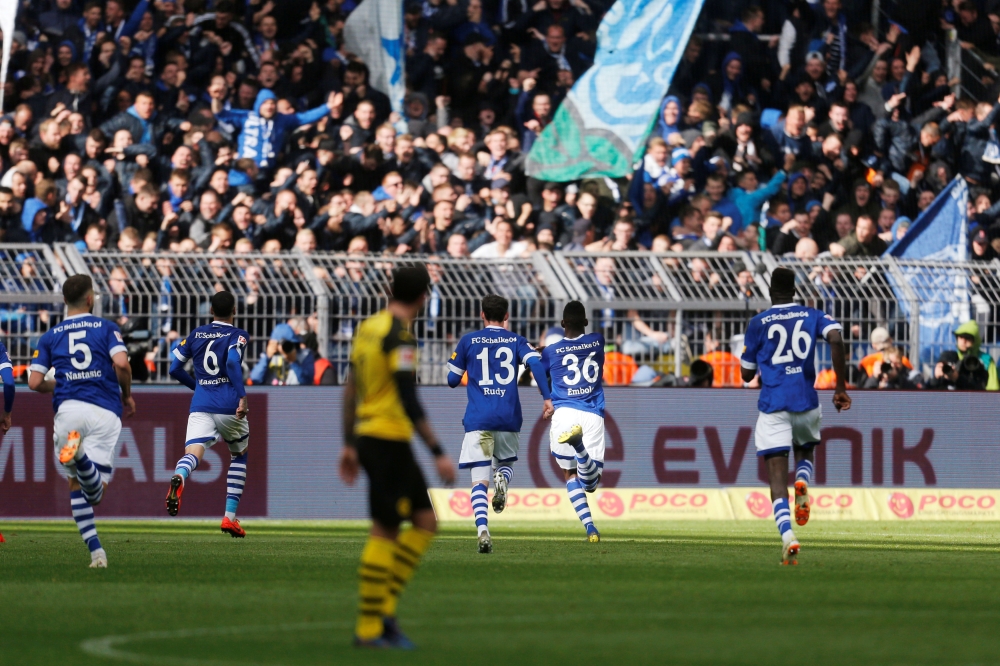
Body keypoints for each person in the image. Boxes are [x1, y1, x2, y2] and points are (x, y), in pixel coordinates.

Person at [339, 265, 456, 649]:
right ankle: (371, 627)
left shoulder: (368, 327)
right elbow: (408, 397)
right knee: (387, 529)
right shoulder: (400, 336)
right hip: (388, 439)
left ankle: (383, 613)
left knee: (424, 521)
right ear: (424, 296)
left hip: (370, 437)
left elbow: (350, 388)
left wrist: (349, 443)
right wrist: (438, 451)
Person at [739, 267, 850, 565]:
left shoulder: (758, 322)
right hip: (806, 400)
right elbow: (836, 339)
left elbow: (747, 374)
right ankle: (803, 480)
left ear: (771, 291)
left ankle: (788, 536)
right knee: (805, 450)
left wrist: (753, 356)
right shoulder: (812, 314)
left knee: (776, 478)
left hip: (773, 404)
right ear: (794, 290)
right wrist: (840, 386)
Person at [27, 275, 135, 568]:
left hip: (68, 411)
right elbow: (122, 364)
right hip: (104, 411)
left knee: (76, 484)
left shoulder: (51, 335)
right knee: (96, 493)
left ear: (64, 301)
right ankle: (82, 455)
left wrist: (60, 382)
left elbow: (35, 382)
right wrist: (126, 395)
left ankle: (96, 553)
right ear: (91, 299)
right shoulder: (106, 328)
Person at [446, 294, 552, 553]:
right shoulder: (516, 341)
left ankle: (483, 530)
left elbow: (451, 379)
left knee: (479, 480)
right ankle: (502, 479)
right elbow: (536, 365)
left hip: (479, 418)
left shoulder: (469, 341)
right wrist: (547, 397)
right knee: (504, 465)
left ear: (482, 315)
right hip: (507, 417)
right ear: (506, 316)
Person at [165, 291, 252, 538]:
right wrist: (242, 395)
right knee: (239, 455)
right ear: (234, 310)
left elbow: (174, 367)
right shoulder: (238, 335)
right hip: (228, 405)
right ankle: (229, 518)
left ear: (211, 311)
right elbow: (233, 362)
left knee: (192, 454)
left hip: (201, 405)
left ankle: (180, 475)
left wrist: (198, 387)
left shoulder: (196, 334)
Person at [541, 300, 606, 543]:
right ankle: (579, 447)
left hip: (563, 413)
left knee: (570, 475)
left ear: (562, 324)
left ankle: (589, 526)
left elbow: (540, 365)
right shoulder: (598, 341)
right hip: (591, 413)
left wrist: (546, 398)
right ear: (586, 323)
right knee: (591, 484)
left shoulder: (550, 351)